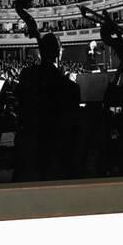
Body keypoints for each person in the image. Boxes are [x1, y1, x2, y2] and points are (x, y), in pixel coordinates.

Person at [13, 33, 81, 182]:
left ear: (40, 52)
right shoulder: (70, 87)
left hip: (27, 148)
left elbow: (19, 103)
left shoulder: (26, 75)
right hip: (55, 153)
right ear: (59, 52)